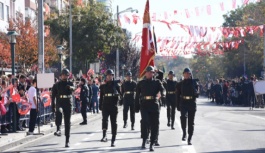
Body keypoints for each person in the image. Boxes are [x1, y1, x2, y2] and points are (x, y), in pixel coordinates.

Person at [135, 66, 165, 151]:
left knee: (154, 124)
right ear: (145, 73)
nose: (149, 73)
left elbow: (163, 90)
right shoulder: (141, 83)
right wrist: (136, 107)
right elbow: (137, 96)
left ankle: (152, 143)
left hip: (154, 105)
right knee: (145, 122)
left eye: (151, 72)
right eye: (147, 72)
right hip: (144, 105)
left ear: (153, 73)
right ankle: (144, 140)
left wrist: (163, 94)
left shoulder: (157, 82)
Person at [51, 68, 74, 147]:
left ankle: (67, 140)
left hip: (68, 102)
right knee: (59, 112)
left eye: (66, 75)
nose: (64, 76)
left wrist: (70, 88)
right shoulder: (57, 84)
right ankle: (58, 129)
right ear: (61, 76)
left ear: (68, 76)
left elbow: (73, 89)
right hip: (60, 101)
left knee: (67, 122)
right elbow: (53, 95)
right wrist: (53, 105)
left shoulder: (70, 83)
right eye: (63, 75)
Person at [176, 68, 199, 145]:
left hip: (192, 102)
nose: (186, 75)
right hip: (183, 102)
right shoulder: (180, 84)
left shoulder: (194, 83)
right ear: (183, 74)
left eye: (188, 73)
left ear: (190, 74)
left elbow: (197, 94)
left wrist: (195, 90)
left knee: (191, 122)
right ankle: (184, 133)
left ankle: (189, 138)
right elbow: (177, 95)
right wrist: (177, 105)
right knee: (183, 117)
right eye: (185, 73)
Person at [99, 69, 121, 147]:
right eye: (108, 75)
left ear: (112, 76)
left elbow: (121, 95)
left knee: (113, 122)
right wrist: (100, 105)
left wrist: (117, 95)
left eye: (110, 75)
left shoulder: (116, 85)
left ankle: (113, 140)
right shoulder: (103, 86)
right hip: (105, 105)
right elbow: (101, 96)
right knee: (104, 120)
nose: (109, 76)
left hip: (113, 105)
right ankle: (104, 136)